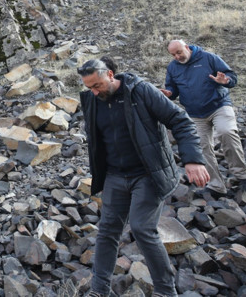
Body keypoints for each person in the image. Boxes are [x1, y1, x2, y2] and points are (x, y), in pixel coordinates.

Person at [78, 58, 209, 297]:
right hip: (115, 175)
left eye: (97, 85)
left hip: (148, 174)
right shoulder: (91, 100)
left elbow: (180, 121)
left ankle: (166, 291)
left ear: (110, 74)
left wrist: (193, 160)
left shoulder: (140, 91)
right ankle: (99, 290)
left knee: (141, 227)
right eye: (89, 88)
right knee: (107, 230)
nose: (94, 91)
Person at [161, 40, 246, 196]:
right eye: (173, 55)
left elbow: (231, 76)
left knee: (227, 132)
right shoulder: (173, 67)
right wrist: (169, 93)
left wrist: (225, 81)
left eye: (179, 52)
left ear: (187, 47)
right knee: (201, 146)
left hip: (219, 106)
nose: (177, 57)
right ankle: (216, 185)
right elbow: (172, 88)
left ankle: (243, 176)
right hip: (194, 113)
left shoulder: (208, 58)